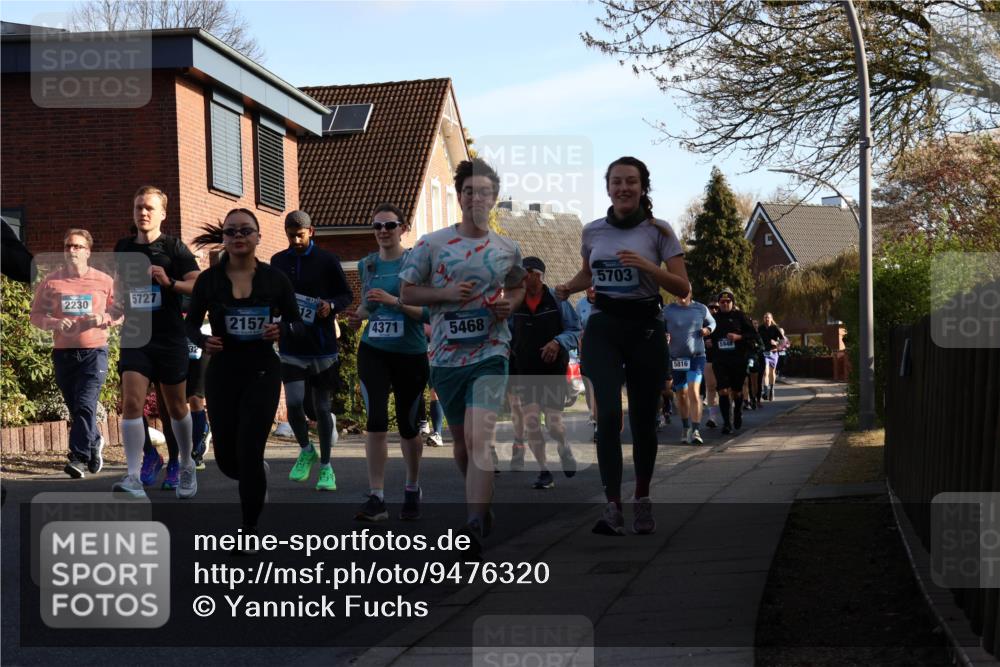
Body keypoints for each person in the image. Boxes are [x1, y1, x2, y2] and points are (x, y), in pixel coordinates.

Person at [555, 156, 689, 536]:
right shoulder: (593, 231)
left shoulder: (659, 231)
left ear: (643, 186)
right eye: (616, 182)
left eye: (631, 181)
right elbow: (588, 272)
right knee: (609, 416)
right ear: (608, 187)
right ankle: (612, 504)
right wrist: (569, 286)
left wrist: (649, 268)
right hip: (604, 327)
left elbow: (682, 288)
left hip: (645, 327)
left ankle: (642, 497)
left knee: (644, 420)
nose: (623, 188)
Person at [400, 157, 526, 541]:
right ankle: (481, 501)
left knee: (478, 438)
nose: (476, 198)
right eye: (469, 191)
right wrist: (445, 294)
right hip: (445, 356)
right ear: (459, 196)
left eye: (483, 192)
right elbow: (407, 291)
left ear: (494, 198)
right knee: (461, 446)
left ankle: (472, 521)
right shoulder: (432, 244)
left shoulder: (507, 248)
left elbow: (520, 286)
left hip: (490, 351)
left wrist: (511, 303)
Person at [187, 209, 303, 537]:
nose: (239, 236)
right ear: (224, 238)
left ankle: (249, 528)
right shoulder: (209, 280)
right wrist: (203, 340)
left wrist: (281, 330)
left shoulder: (275, 279)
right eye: (232, 231)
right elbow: (190, 324)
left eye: (246, 231)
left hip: (262, 371)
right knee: (227, 460)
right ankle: (255, 476)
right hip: (222, 372)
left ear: (258, 237)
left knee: (250, 449)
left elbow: (296, 323)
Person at [109, 186, 200, 499]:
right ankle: (133, 476)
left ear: (162, 213)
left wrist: (169, 282)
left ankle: (186, 463)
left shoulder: (174, 248)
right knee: (131, 403)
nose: (142, 213)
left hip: (169, 336)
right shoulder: (122, 247)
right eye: (138, 208)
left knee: (176, 406)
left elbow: (197, 285)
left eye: (148, 208)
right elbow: (119, 289)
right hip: (135, 335)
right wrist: (116, 305)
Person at [347, 203, 431, 521]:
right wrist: (358, 318)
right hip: (374, 350)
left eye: (390, 225)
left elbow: (427, 312)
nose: (383, 231)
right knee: (376, 421)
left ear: (403, 228)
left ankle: (412, 486)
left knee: (409, 427)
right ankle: (377, 497)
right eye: (378, 226)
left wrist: (395, 302)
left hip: (410, 352)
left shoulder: (416, 263)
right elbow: (370, 307)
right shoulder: (366, 265)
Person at [270, 211, 353, 491]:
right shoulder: (278, 261)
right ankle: (306, 449)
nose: (295, 240)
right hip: (292, 344)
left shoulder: (328, 260)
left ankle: (327, 468)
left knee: (321, 407)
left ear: (311, 232)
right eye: (290, 234)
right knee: (293, 403)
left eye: (300, 235)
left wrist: (331, 305)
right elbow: (274, 299)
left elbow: (346, 295)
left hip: (322, 345)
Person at [30, 228, 121, 477]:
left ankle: (78, 458)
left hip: (94, 352)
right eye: (68, 246)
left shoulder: (104, 281)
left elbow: (120, 312)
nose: (72, 250)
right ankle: (94, 441)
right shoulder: (52, 282)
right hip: (64, 354)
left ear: (88, 252)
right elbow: (36, 315)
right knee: (77, 407)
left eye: (78, 246)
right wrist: (55, 323)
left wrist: (102, 317)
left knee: (84, 404)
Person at [507, 256, 581, 489]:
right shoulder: (515, 303)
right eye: (523, 274)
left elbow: (575, 330)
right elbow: (506, 331)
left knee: (553, 424)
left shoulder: (557, 301)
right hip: (526, 370)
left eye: (529, 273)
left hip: (552, 370)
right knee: (531, 421)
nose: (526, 278)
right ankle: (544, 471)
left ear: (539, 275)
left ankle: (563, 446)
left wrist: (557, 342)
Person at [662, 290, 715, 444]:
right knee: (682, 395)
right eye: (679, 292)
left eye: (686, 292)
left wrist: (708, 330)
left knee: (694, 390)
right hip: (677, 358)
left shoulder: (700, 308)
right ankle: (686, 427)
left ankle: (696, 430)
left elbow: (713, 322)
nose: (682, 295)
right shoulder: (668, 310)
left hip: (696, 357)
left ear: (691, 293)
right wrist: (664, 335)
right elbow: (659, 326)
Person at [708, 289, 757, 435]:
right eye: (722, 302)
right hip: (720, 360)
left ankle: (737, 412)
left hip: (738, 360)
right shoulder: (713, 318)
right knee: (722, 391)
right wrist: (708, 341)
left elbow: (753, 334)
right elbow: (706, 333)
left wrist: (738, 337)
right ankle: (727, 423)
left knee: (736, 392)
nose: (724, 304)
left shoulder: (740, 316)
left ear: (732, 303)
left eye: (727, 301)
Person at [575, 287, 597, 434]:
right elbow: (576, 328)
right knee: (589, 386)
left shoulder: (605, 303)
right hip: (585, 352)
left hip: (604, 351)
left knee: (599, 386)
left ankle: (599, 416)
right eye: (588, 286)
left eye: (594, 285)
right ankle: (593, 413)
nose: (591, 289)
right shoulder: (580, 305)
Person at [703, 301, 721, 427]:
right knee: (710, 387)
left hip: (724, 359)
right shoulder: (703, 322)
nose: (714, 310)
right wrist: (704, 343)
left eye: (716, 307)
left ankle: (729, 415)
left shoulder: (723, 321)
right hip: (708, 358)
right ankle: (712, 417)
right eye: (711, 307)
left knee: (725, 389)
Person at [758, 312, 782, 401]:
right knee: (765, 372)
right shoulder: (760, 328)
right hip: (764, 353)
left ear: (771, 319)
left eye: (768, 317)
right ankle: (765, 391)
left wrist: (776, 343)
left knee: (772, 372)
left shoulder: (775, 328)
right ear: (763, 319)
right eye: (765, 317)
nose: (767, 319)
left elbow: (784, 341)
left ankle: (772, 389)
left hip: (773, 353)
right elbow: (757, 338)